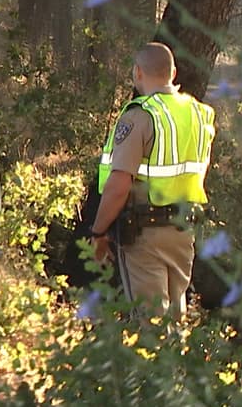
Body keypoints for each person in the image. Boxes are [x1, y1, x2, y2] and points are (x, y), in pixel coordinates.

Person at [88, 42, 216, 317]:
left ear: (137, 72)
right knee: (174, 320)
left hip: (144, 234)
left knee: (150, 324)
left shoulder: (141, 116)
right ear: (173, 73)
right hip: (183, 232)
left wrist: (98, 232)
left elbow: (119, 185)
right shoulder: (199, 114)